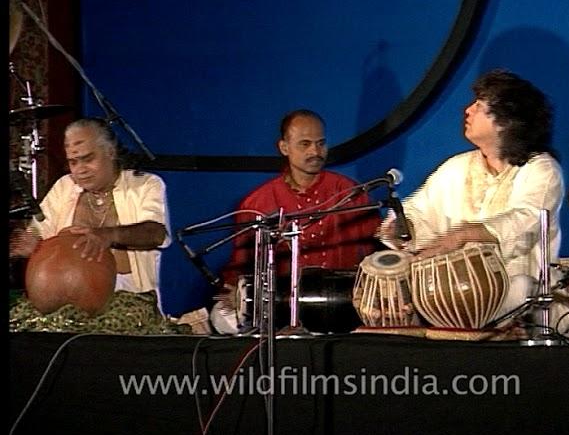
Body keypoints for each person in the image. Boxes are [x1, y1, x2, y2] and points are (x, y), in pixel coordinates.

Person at [378, 69, 565, 326]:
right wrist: (404, 226)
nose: (467, 111)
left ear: (505, 121)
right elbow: (419, 211)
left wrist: (463, 235)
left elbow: (526, 219)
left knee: (520, 286)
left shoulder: (541, 169)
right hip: (452, 293)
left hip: (518, 295)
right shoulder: (457, 167)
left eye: (478, 106)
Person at [9, 117, 188, 334]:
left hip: (128, 301)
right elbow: (38, 232)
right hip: (62, 309)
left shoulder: (145, 184)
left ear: (110, 152)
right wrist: (28, 244)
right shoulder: (65, 187)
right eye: (73, 162)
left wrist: (108, 235)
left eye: (88, 159)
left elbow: (155, 233)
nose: (80, 170)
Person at [212, 109, 382, 333]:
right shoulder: (258, 203)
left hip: (342, 305)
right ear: (284, 147)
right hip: (280, 309)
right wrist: (233, 291)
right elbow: (240, 267)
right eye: (305, 144)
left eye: (321, 143)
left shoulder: (349, 193)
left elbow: (378, 253)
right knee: (221, 317)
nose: (315, 151)